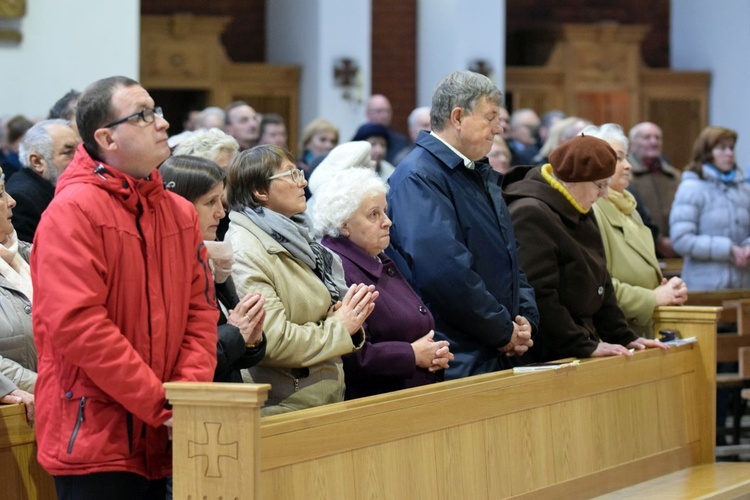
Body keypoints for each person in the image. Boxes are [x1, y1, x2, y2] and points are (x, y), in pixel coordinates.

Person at [31, 76, 218, 499]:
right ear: (106, 137)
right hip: (96, 437)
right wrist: (160, 403)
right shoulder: (72, 211)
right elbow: (80, 326)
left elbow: (201, 312)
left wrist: (185, 396)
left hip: (169, 434)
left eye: (159, 112)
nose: (163, 124)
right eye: (145, 115)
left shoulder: (179, 213)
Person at [387, 71, 538, 379]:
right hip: (456, 355)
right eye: (490, 117)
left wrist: (524, 318)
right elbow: (443, 271)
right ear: (457, 117)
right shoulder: (419, 176)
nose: (499, 128)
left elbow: (510, 257)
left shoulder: (474, 171)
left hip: (490, 347)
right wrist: (500, 328)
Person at [225, 145, 378, 415]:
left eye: (300, 173)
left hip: (313, 397)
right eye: (291, 175)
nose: (303, 182)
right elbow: (272, 341)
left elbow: (309, 308)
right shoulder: (245, 249)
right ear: (260, 192)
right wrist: (339, 327)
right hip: (283, 404)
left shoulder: (292, 235)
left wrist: (338, 312)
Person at [504, 135, 667, 361]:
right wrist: (583, 345)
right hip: (548, 353)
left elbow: (601, 281)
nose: (604, 195)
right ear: (573, 178)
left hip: (577, 344)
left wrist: (623, 336)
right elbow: (540, 295)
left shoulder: (577, 205)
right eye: (600, 185)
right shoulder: (530, 213)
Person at [311, 167, 453, 398]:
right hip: (378, 402)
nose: (387, 222)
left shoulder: (376, 257)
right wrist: (413, 355)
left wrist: (433, 352)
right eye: (373, 215)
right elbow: (353, 353)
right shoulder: (338, 267)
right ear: (343, 224)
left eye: (385, 212)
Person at [160, 155, 266, 382]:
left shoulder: (213, 255)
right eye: (210, 202)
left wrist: (252, 340)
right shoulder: (165, 268)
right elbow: (180, 361)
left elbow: (235, 356)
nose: (221, 212)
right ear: (180, 204)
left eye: (221, 201)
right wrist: (235, 334)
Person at [586, 123, 688, 339]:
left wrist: (665, 288)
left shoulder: (629, 208)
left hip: (639, 328)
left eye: (626, 157)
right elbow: (595, 284)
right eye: (619, 158)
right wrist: (652, 297)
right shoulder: (591, 209)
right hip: (611, 334)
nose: (628, 166)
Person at [670, 126, 750, 290]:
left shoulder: (743, 189)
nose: (729, 153)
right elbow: (681, 239)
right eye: (722, 148)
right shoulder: (691, 188)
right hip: (704, 287)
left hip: (742, 285)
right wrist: (728, 249)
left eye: (731, 148)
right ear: (707, 153)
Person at [0, 168, 36, 424]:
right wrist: (47, 385)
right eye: (0, 194)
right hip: (19, 420)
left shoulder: (35, 253)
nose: (12, 201)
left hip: (71, 402)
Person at [7, 119, 80, 242]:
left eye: (80, 150)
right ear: (37, 162)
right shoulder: (22, 199)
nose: (79, 158)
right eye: (68, 152)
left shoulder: (52, 186)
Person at [628, 122, 681, 257]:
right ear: (633, 144)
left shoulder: (675, 176)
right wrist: (658, 241)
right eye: (647, 137)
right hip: (641, 250)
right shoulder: (626, 177)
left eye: (658, 137)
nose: (654, 142)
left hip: (676, 248)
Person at [365, 94, 410, 164]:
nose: (385, 115)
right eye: (379, 111)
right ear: (368, 114)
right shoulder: (359, 139)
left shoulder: (401, 141)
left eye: (388, 111)